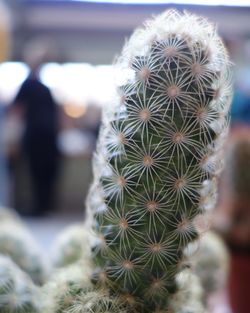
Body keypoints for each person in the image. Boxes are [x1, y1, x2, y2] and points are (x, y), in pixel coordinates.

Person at [12, 61, 60, 216]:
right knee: (45, 172)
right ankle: (45, 206)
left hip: (36, 135)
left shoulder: (28, 85)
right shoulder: (45, 89)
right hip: (48, 136)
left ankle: (40, 207)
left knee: (37, 172)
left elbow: (17, 109)